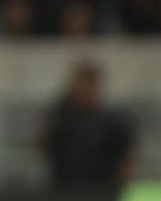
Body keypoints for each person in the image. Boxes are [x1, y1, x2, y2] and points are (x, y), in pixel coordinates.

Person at [37, 59, 136, 189]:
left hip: (101, 193)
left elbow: (126, 161)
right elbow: (41, 147)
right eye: (78, 83)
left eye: (87, 83)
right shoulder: (60, 118)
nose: (82, 89)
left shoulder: (112, 121)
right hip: (63, 193)